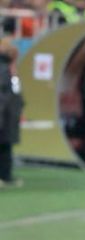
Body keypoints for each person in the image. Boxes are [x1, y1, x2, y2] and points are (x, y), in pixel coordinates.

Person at [0, 38, 24, 188]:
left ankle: (5, 176)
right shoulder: (5, 69)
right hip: (5, 114)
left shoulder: (7, 69)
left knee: (5, 146)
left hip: (7, 114)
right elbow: (9, 92)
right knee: (4, 146)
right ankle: (5, 176)